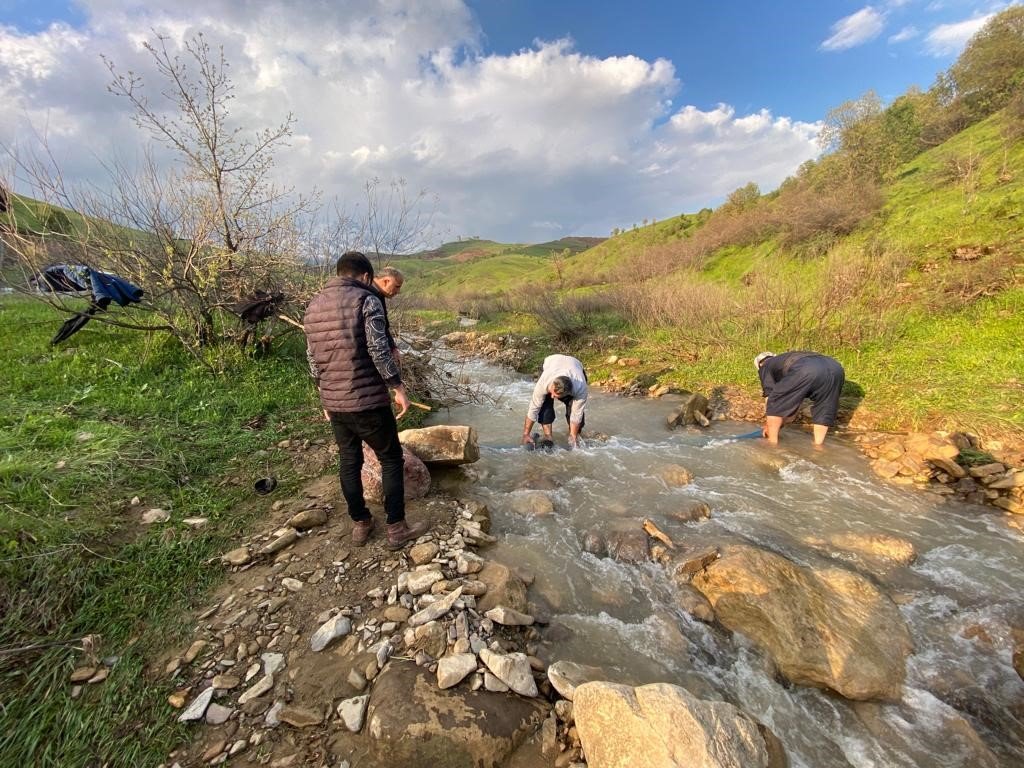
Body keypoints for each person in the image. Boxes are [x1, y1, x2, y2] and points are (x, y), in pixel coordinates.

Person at [304, 252, 428, 549]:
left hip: (335, 402)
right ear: (364, 276)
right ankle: (396, 528)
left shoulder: (313, 305)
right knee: (390, 458)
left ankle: (361, 522)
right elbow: (378, 349)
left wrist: (324, 395)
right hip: (369, 400)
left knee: (349, 461)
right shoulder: (366, 300)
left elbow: (312, 359)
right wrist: (397, 387)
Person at [755, 351, 845, 445]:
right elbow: (794, 402)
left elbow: (770, 399)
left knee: (774, 401)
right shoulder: (785, 359)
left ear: (759, 365)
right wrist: (782, 421)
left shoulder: (765, 366)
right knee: (825, 406)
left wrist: (769, 426)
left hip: (806, 368)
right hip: (836, 368)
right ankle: (818, 447)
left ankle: (772, 444)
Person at [522, 354, 589, 449]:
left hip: (576, 366)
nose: (553, 396)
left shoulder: (580, 388)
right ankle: (548, 436)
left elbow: (577, 414)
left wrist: (573, 436)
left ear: (568, 393)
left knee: (573, 412)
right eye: (552, 393)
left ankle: (574, 435)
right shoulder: (544, 382)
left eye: (556, 395)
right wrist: (526, 434)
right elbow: (534, 408)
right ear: (552, 384)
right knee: (545, 404)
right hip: (551, 363)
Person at [372, 266, 404, 365]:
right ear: (386, 281)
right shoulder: (368, 295)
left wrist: (393, 347)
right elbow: (375, 338)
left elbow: (383, 327)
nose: (398, 292)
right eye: (397, 286)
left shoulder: (378, 295)